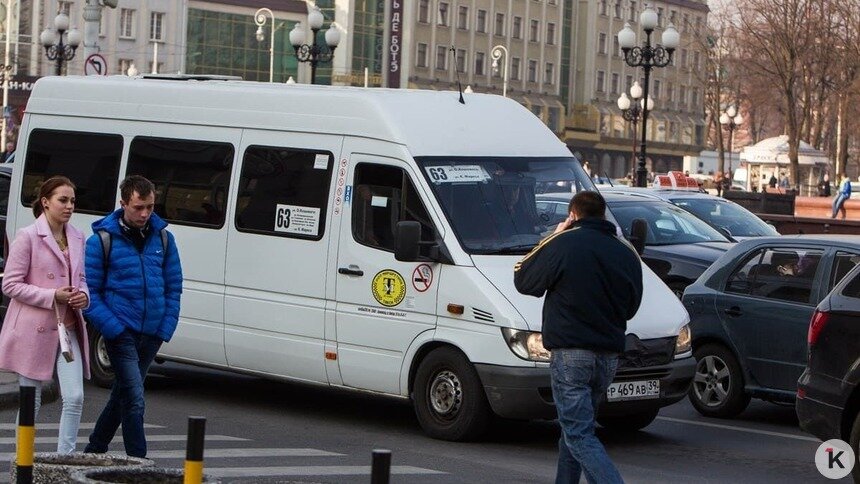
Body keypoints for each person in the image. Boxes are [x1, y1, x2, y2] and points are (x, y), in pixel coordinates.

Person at [514, 191, 643, 484]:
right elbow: (632, 305)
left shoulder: (564, 243)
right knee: (573, 432)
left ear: (573, 215)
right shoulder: (624, 251)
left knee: (579, 434)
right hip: (608, 356)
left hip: (571, 352)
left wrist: (552, 236)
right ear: (603, 214)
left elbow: (523, 278)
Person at [83, 175, 183, 458]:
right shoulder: (101, 241)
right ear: (123, 203)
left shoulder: (163, 237)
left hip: (151, 333)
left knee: (123, 394)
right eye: (138, 207)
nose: (145, 214)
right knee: (135, 399)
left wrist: (165, 327)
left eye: (150, 207)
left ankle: (94, 450)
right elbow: (90, 293)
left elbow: (173, 286)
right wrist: (113, 329)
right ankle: (139, 462)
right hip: (121, 332)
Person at [0, 176, 90, 454]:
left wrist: (83, 296)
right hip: (33, 328)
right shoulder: (28, 236)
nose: (69, 206)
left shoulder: (77, 236)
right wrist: (53, 295)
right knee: (32, 398)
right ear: (45, 202)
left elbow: (82, 277)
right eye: (63, 200)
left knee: (74, 396)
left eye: (73, 201)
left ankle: (65, 460)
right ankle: (23, 460)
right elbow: (10, 284)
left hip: (68, 328)